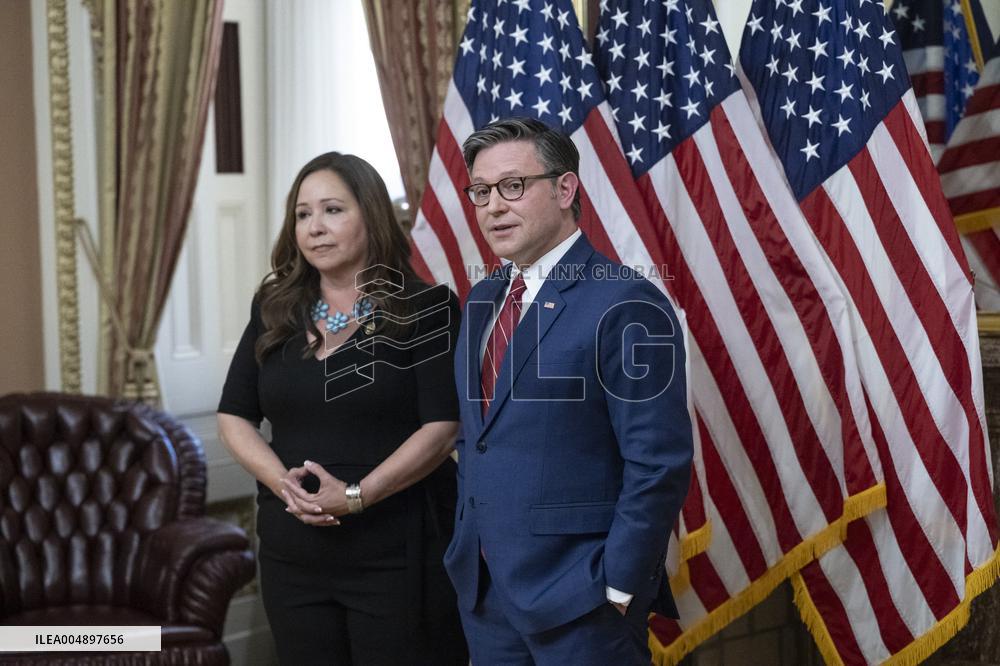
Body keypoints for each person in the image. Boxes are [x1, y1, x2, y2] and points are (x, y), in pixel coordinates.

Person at [444, 117, 694, 665]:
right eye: (481, 192)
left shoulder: (626, 302)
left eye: (513, 186)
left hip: (583, 601)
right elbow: (478, 439)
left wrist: (619, 586)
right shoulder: (482, 301)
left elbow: (659, 462)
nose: (492, 206)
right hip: (486, 596)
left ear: (565, 188)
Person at [217, 152, 467, 666]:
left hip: (397, 552)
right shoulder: (273, 309)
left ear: (370, 215)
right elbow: (233, 415)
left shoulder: (426, 309)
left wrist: (354, 496)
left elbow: (443, 428)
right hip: (293, 555)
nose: (314, 228)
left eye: (332, 210)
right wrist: (281, 481)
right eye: (303, 214)